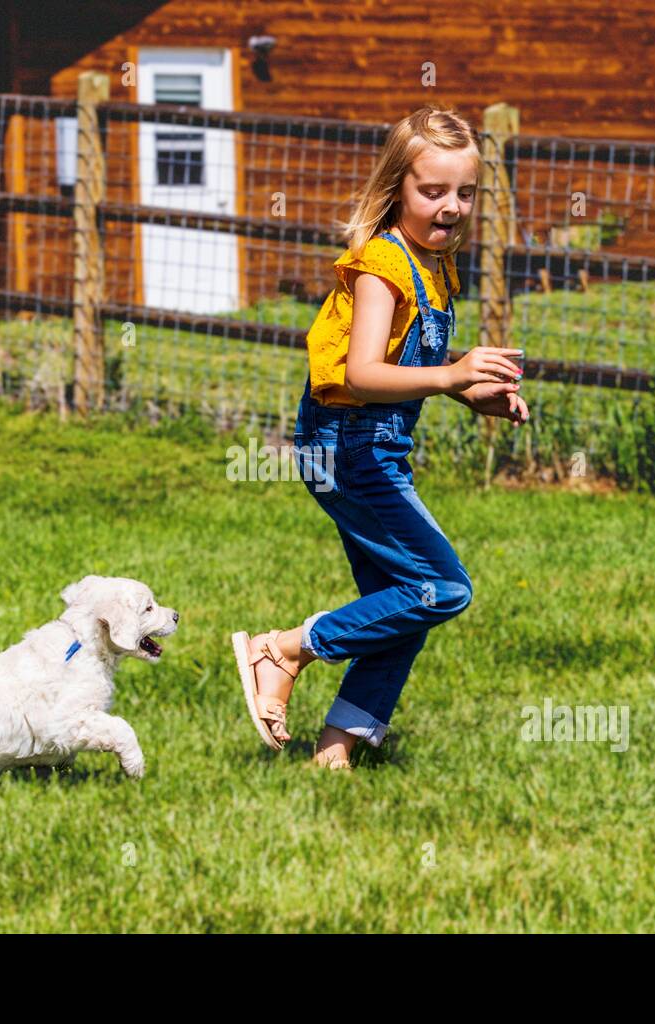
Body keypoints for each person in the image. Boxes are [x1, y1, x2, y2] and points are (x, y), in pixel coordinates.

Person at [231, 104, 529, 770]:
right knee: (443, 588)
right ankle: (283, 649)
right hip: (349, 450)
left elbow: (410, 373)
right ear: (397, 188)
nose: (451, 206)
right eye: (433, 191)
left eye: (465, 193)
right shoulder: (382, 267)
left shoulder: (435, 266)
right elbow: (361, 373)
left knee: (401, 604)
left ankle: (335, 751)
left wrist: (469, 393)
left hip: (371, 450)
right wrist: (450, 374)